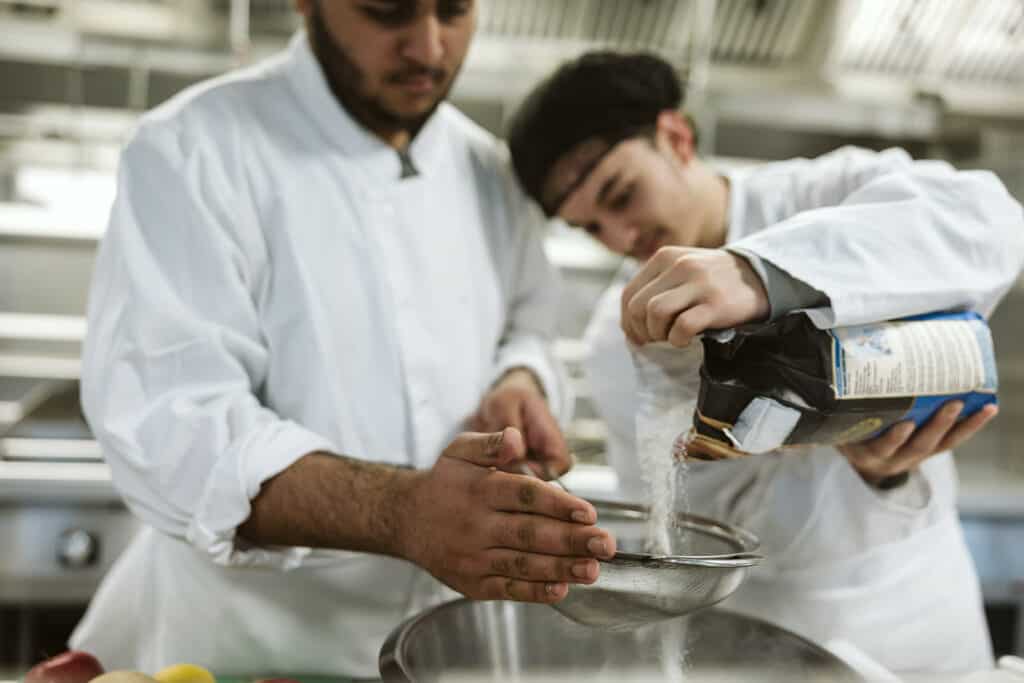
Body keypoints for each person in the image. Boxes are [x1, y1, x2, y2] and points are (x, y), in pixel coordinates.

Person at [72, 1, 618, 675]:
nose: (428, 47)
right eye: (386, 11)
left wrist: (521, 380)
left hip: (440, 646)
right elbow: (174, 423)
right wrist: (403, 511)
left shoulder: (488, 170)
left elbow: (529, 322)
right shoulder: (191, 149)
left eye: (454, 10)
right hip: (242, 644)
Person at [507, 51, 1024, 673]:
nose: (618, 238)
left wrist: (760, 273)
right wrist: (864, 470)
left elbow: (990, 222)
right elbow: (695, 517)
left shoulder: (822, 195)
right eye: (590, 227)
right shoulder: (618, 343)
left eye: (621, 195)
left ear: (675, 136)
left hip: (917, 602)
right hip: (768, 624)